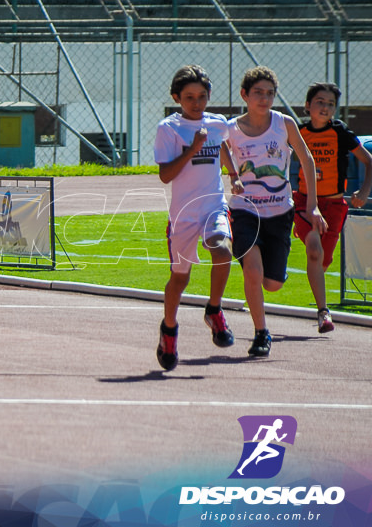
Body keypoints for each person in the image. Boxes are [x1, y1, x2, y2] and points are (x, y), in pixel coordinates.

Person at [225, 66, 326, 358]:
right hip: (245, 210)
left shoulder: (284, 124)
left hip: (280, 211)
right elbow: (217, 144)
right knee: (254, 272)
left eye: (270, 93)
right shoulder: (231, 128)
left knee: (273, 284)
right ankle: (261, 333)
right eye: (258, 92)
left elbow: (306, 159)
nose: (264, 98)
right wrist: (233, 175)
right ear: (245, 94)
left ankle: (260, 280)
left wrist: (313, 205)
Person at [153, 65, 237, 371]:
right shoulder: (169, 129)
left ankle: (214, 309)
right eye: (189, 97)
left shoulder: (217, 124)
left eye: (202, 96)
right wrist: (193, 149)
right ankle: (169, 330)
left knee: (223, 251)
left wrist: (233, 173)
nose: (196, 102)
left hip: (213, 205)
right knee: (180, 278)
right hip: (183, 216)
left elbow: (223, 144)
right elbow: (165, 175)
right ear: (177, 97)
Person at [294, 82, 372, 333]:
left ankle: (319, 298)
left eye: (330, 104)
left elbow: (369, 161)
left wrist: (364, 191)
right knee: (314, 250)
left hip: (335, 205)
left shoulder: (340, 132)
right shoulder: (297, 132)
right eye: (320, 101)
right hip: (306, 203)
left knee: (322, 260)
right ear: (308, 105)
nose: (325, 107)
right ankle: (323, 313)